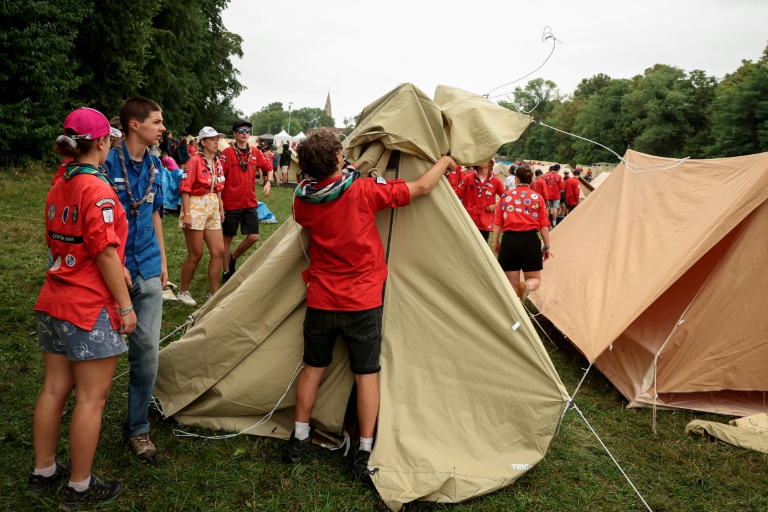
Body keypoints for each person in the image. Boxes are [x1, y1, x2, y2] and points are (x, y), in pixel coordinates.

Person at [282, 128, 457, 481]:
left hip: (320, 299)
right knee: (366, 376)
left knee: (313, 367)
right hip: (362, 301)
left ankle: (299, 437)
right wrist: (446, 161)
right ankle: (364, 449)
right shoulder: (362, 190)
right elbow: (420, 187)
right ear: (335, 159)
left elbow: (309, 214)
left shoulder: (303, 199)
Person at [31, 108, 134, 510]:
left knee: (53, 389)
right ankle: (79, 486)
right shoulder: (98, 189)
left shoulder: (61, 181)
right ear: (104, 142)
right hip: (87, 307)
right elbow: (105, 253)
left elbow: (65, 239)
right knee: (92, 398)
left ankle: (43, 472)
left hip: (54, 297)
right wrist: (125, 308)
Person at [103, 96, 168, 463]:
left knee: (147, 354)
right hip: (112, 271)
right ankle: (82, 410)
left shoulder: (157, 164)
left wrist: (162, 262)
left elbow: (155, 213)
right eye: (157, 122)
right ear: (134, 125)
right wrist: (116, 261)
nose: (162, 128)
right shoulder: (106, 163)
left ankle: (137, 428)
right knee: (97, 351)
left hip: (147, 268)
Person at [219, 119, 274, 283]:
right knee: (227, 238)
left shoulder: (256, 152)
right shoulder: (227, 153)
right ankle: (227, 272)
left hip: (250, 202)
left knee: (254, 236)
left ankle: (233, 258)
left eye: (247, 131)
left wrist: (269, 182)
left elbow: (269, 168)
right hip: (230, 202)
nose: (245, 134)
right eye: (241, 131)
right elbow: (220, 177)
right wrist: (220, 203)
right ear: (235, 133)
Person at [177, 127, 227, 305]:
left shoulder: (217, 162)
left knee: (218, 251)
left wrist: (220, 208)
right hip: (195, 205)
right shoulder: (194, 161)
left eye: (217, 139)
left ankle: (214, 293)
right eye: (212, 139)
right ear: (203, 142)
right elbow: (185, 188)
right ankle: (183, 291)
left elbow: (219, 188)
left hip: (212, 204)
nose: (216, 142)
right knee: (196, 254)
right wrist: (188, 213)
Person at [492, 165, 553, 302]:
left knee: (512, 287)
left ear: (516, 179)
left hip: (509, 241)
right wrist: (546, 247)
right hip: (530, 241)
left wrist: (496, 242)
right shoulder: (538, 198)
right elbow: (544, 227)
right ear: (531, 180)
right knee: (535, 279)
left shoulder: (505, 197)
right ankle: (526, 286)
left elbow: (497, 223)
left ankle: (515, 317)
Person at [459, 160, 505, 241]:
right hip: (468, 220)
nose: (481, 160)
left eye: (484, 159)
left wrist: (495, 206)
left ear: (490, 163)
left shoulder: (496, 181)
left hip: (484, 222)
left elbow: (506, 198)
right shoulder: (468, 178)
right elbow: (457, 194)